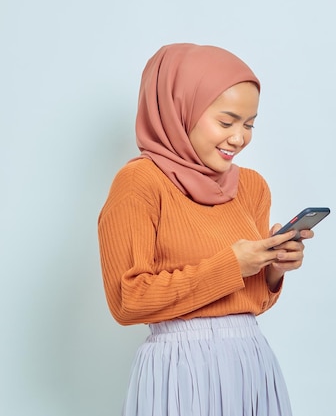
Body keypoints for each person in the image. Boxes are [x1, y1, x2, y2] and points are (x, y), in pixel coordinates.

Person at [97, 43, 313, 416]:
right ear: (181, 111)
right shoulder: (140, 182)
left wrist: (273, 268)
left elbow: (251, 302)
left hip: (250, 362)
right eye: (226, 122)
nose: (239, 138)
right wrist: (232, 264)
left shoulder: (252, 186)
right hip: (178, 368)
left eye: (249, 124)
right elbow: (127, 300)